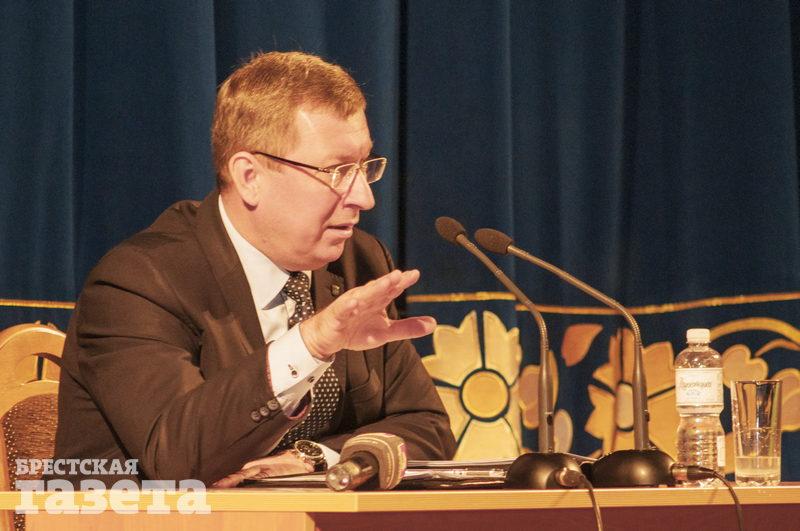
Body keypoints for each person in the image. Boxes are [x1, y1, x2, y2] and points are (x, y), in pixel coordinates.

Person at [51, 51, 456, 487]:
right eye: (338, 171)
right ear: (249, 177)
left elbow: (427, 427)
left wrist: (317, 457)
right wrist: (311, 344)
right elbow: (175, 460)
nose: (364, 197)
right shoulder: (139, 280)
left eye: (364, 167)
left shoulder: (358, 262)